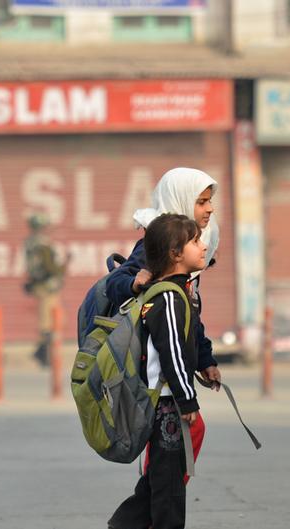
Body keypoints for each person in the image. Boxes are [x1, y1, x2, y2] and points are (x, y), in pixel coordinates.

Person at [108, 213, 207, 529]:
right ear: (176, 253)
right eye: (195, 241)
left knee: (160, 480)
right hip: (166, 404)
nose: (203, 247)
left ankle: (123, 524)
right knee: (168, 487)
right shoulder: (167, 295)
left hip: (163, 402)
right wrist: (187, 399)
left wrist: (207, 363)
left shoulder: (174, 292)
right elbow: (172, 354)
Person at [24, 214, 67, 367]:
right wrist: (62, 267)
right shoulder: (42, 244)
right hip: (47, 287)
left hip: (40, 286)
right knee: (50, 322)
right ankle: (43, 354)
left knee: (47, 320)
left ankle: (43, 353)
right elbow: (50, 267)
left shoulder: (30, 243)